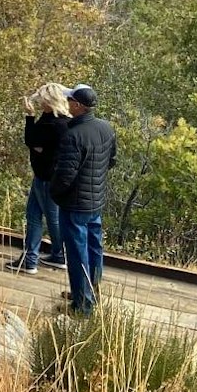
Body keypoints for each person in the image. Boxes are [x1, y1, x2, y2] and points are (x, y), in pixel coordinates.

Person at [51, 84, 118, 316]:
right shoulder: (106, 128)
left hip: (75, 204)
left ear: (78, 106)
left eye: (70, 101)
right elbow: (111, 161)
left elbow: (65, 175)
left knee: (77, 253)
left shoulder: (73, 135)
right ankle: (92, 291)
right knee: (94, 247)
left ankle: (82, 305)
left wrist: (54, 193)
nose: (67, 104)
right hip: (96, 200)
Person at [9, 84, 71, 276]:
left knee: (51, 218)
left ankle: (58, 255)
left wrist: (29, 117)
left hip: (47, 177)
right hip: (44, 176)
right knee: (34, 216)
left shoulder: (55, 123)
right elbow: (35, 143)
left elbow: (31, 139)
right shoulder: (58, 120)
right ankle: (32, 258)